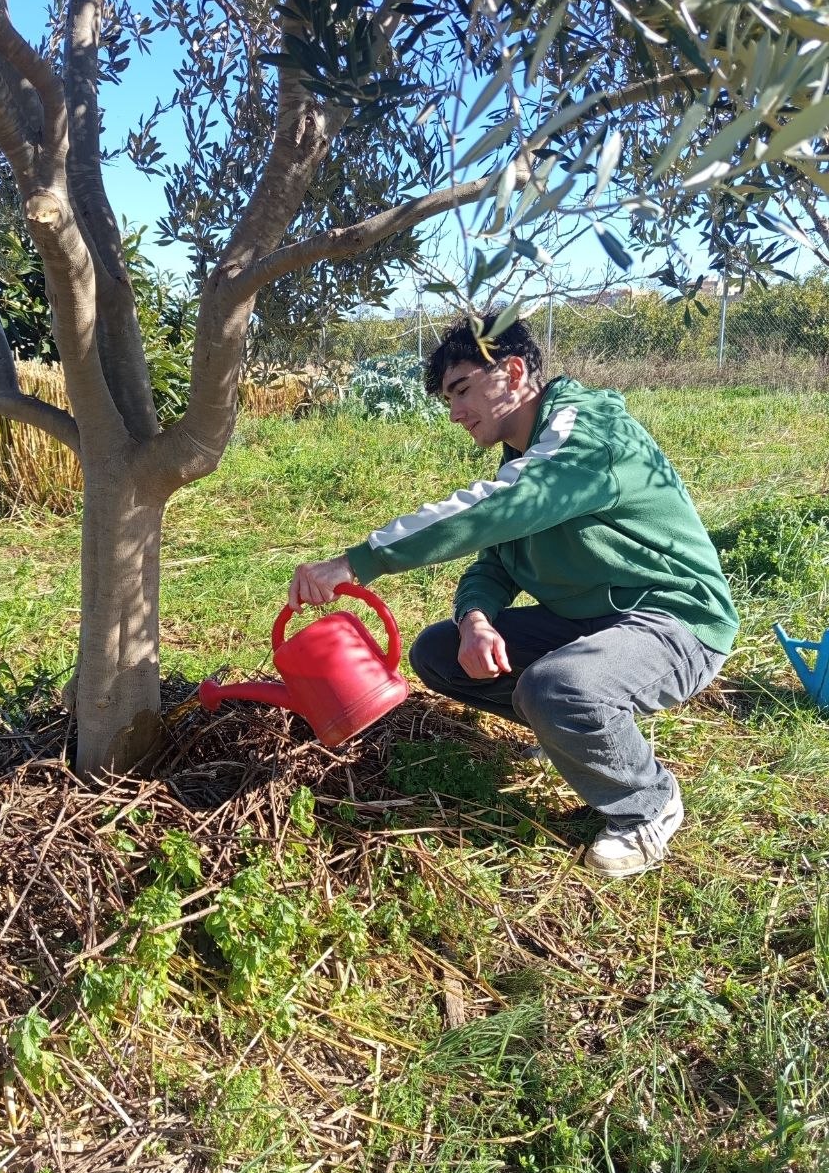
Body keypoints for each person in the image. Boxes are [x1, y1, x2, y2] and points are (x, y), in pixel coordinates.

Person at [287, 314, 738, 878]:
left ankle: (648, 802)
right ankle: (576, 732)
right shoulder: (526, 457)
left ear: (514, 371)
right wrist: (476, 619)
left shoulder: (588, 434)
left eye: (461, 390)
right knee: (438, 651)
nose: (454, 413)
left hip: (674, 623)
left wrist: (359, 561)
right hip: (594, 624)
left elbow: (495, 509)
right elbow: (494, 560)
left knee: (558, 688)